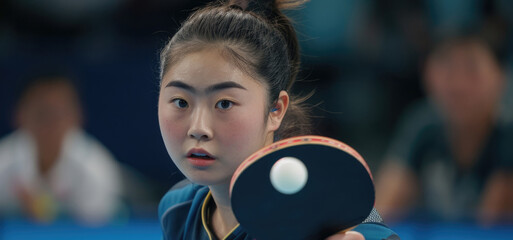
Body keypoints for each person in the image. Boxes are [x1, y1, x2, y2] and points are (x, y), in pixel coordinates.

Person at [157, 0, 399, 239]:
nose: (199, 128)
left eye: (224, 104)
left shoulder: (326, 213)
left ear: (275, 110)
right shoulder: (178, 210)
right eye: (181, 102)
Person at [376, 36, 513, 224]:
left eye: (472, 70)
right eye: (448, 70)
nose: (458, 85)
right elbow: (381, 208)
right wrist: (365, 228)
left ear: (501, 76)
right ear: (427, 75)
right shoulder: (422, 125)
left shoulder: (507, 133)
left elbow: (488, 225)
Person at [0, 72, 122, 224]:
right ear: (19, 115)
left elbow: (100, 231)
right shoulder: (3, 162)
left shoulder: (96, 169)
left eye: (59, 114)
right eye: (41, 114)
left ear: (77, 116)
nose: (50, 124)